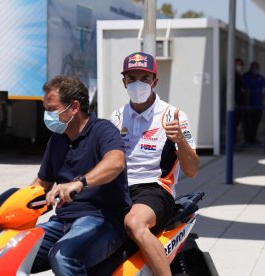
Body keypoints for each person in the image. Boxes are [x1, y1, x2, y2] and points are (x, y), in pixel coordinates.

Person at [30, 75, 132, 275]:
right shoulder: (57, 140)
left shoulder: (103, 130)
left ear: (74, 107)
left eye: (52, 109)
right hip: (61, 221)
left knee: (63, 256)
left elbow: (116, 162)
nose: (47, 115)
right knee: (11, 250)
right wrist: (14, 205)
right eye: (46, 109)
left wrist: (79, 183)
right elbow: (42, 183)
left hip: (102, 220)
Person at [110, 52, 200, 275]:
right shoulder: (117, 117)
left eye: (144, 78)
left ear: (155, 81)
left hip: (156, 189)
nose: (137, 84)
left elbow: (192, 170)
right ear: (124, 82)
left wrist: (179, 140)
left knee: (134, 223)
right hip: (121, 189)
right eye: (132, 78)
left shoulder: (173, 116)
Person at [242, 61, 265, 144]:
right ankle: (247, 139)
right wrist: (247, 104)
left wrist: (263, 103)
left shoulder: (261, 79)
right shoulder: (246, 77)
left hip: (258, 105)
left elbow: (264, 92)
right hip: (248, 105)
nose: (255, 69)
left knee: (256, 122)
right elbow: (245, 92)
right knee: (248, 123)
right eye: (253, 68)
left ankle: (253, 138)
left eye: (256, 68)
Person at [234, 58, 245, 143]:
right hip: (235, 104)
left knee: (238, 124)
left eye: (240, 65)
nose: (239, 66)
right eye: (238, 65)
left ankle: (236, 141)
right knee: (234, 124)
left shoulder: (240, 76)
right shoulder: (234, 76)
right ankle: (233, 142)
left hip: (241, 103)